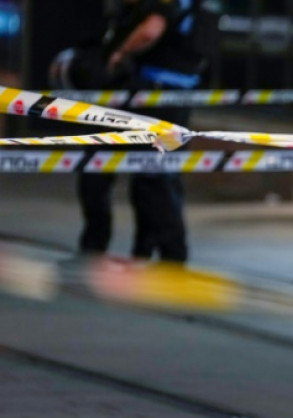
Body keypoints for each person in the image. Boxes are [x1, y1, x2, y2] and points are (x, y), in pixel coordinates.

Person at [63, 0, 214, 263]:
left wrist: (121, 53)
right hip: (172, 97)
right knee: (155, 175)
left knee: (147, 177)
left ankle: (166, 253)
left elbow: (150, 31)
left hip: (153, 97)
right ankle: (147, 250)